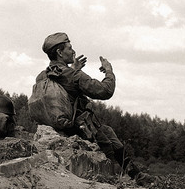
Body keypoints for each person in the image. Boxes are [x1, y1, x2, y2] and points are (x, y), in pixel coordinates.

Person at [35, 32, 144, 180]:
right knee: (107, 150)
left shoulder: (43, 75)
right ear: (60, 53)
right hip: (80, 129)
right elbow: (105, 91)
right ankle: (117, 182)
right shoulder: (73, 76)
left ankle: (136, 175)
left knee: (108, 132)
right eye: (69, 48)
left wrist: (73, 68)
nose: (73, 51)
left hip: (60, 126)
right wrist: (109, 71)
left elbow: (65, 87)